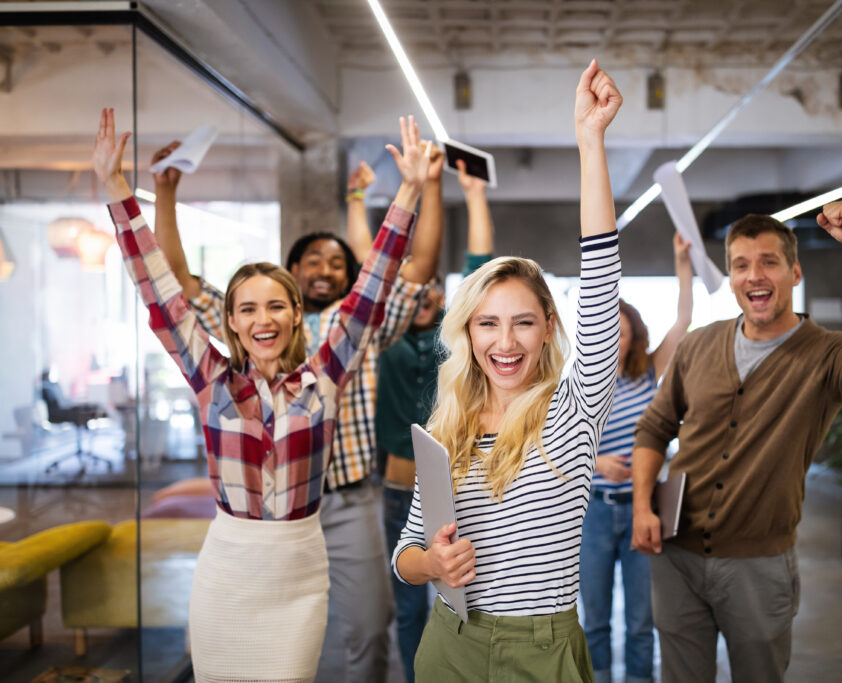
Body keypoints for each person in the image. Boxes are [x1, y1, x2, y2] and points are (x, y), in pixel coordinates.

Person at [93, 108, 431, 682]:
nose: (263, 319)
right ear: (230, 320)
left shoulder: (323, 379)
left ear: (297, 314)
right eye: (247, 308)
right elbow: (159, 292)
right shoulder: (211, 380)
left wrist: (411, 191)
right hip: (228, 572)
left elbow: (371, 288)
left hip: (298, 574)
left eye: (276, 305)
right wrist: (118, 189)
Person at [392, 59, 622, 682]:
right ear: (468, 333)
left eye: (523, 321)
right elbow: (405, 553)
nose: (506, 341)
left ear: (548, 325)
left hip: (540, 649)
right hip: (449, 643)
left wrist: (589, 143)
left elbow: (601, 281)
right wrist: (432, 566)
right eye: (488, 323)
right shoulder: (448, 425)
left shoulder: (574, 409)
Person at [630, 202, 842, 682]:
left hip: (758, 566)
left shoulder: (825, 356)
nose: (754, 275)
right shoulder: (699, 344)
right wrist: (643, 506)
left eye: (768, 261)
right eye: (741, 264)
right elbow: (655, 427)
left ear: (795, 272)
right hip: (675, 557)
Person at [372, 158, 495, 683]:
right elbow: (381, 267)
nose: (422, 295)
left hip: (456, 483)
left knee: (461, 594)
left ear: (443, 298)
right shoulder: (383, 337)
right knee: (408, 603)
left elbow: (480, 264)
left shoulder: (456, 340)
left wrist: (470, 192)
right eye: (412, 290)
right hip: (399, 486)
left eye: (430, 292)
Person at [579, 233, 693, 683]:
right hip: (594, 514)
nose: (614, 336)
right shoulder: (580, 381)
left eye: (621, 330)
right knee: (596, 620)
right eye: (606, 327)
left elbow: (684, 320)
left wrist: (682, 263)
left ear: (632, 335)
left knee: (643, 622)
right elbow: (551, 450)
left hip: (643, 509)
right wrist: (596, 464)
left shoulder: (648, 370)